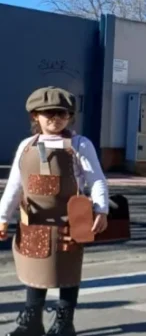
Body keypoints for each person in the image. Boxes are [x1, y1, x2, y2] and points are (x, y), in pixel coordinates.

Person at [0, 87, 109, 336]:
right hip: (34, 221)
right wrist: (3, 217)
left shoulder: (81, 145)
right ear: (34, 116)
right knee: (34, 270)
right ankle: (32, 321)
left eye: (62, 113)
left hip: (71, 221)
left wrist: (101, 209)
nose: (55, 118)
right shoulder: (27, 146)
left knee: (68, 272)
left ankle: (64, 323)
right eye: (48, 113)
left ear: (70, 116)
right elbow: (15, 185)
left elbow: (97, 179)